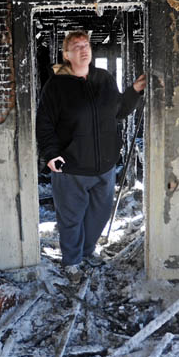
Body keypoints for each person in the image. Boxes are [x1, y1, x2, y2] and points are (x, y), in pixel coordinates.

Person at [36, 30, 146, 281]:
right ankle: (72, 262)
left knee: (99, 214)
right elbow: (44, 123)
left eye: (86, 45)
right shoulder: (56, 86)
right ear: (66, 55)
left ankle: (86, 251)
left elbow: (117, 111)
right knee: (71, 218)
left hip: (104, 166)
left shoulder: (104, 78)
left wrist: (135, 90)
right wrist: (51, 154)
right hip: (71, 167)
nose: (83, 49)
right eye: (76, 46)